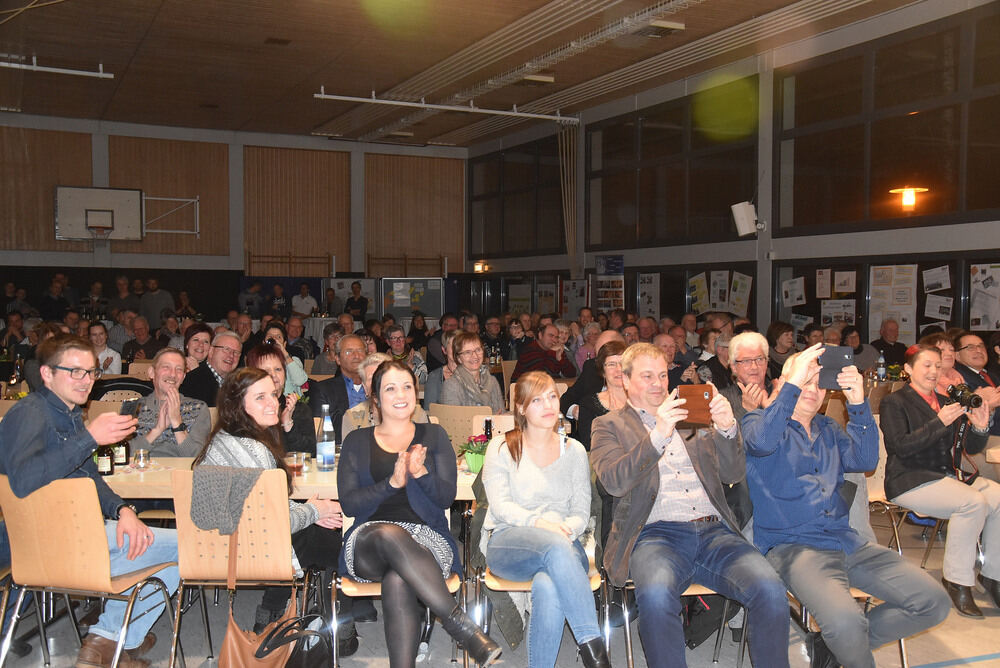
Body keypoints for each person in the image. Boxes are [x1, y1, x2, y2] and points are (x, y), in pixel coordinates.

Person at [742, 344, 951, 666]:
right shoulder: (757, 423)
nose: (811, 390)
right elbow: (762, 442)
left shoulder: (829, 429)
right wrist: (795, 380)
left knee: (932, 601)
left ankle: (832, 646)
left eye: (817, 383)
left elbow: (866, 460)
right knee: (846, 622)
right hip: (795, 549)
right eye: (802, 382)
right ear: (780, 386)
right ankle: (843, 645)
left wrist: (858, 403)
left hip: (847, 541)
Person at [590, 343, 789, 668]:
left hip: (714, 531)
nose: (658, 383)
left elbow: (732, 472)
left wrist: (727, 429)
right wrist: (658, 434)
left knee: (770, 589)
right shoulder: (609, 425)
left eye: (662, 375)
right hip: (655, 536)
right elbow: (614, 480)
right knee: (655, 597)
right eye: (647, 376)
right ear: (625, 380)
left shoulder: (692, 413)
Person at [0, 334, 178, 667]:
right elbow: (22, 482)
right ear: (47, 374)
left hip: (74, 536)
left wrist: (123, 510)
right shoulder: (29, 414)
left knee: (173, 553)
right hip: (48, 545)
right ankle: (110, 642)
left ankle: (106, 645)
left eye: (91, 372)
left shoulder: (66, 415)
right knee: (185, 547)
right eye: (75, 371)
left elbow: (88, 477)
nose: (86, 381)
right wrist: (89, 437)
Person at [338, 360, 502, 667]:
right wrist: (392, 484)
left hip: (427, 541)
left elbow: (445, 497)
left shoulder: (434, 435)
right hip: (368, 540)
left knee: (398, 578)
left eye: (407, 386)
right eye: (390, 388)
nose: (400, 394)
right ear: (376, 397)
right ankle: (457, 623)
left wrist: (422, 472)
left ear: (416, 393)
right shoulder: (356, 441)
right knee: (388, 532)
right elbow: (349, 504)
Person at [193, 367, 353, 643]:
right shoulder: (255, 449)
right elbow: (269, 523)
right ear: (237, 405)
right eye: (260, 397)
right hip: (242, 551)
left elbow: (262, 508)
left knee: (315, 532)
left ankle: (272, 616)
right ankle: (338, 629)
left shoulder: (222, 440)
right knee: (339, 546)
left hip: (215, 547)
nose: (272, 403)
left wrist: (311, 510)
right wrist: (316, 510)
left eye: (274, 395)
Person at [481, 371, 610, 668]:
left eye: (552, 396)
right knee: (554, 547)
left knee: (549, 584)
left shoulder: (575, 450)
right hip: (510, 542)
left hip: (565, 542)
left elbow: (581, 511)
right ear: (522, 408)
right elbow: (501, 508)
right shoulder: (501, 447)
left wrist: (565, 528)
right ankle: (597, 656)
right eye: (537, 399)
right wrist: (543, 524)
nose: (548, 404)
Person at [881, 344, 1000, 617]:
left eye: (938, 365)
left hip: (947, 476)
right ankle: (957, 579)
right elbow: (901, 447)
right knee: (972, 502)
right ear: (908, 369)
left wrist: (981, 426)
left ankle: (993, 575)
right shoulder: (895, 402)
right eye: (927, 365)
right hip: (909, 479)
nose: (934, 371)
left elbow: (967, 446)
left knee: (997, 496)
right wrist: (939, 422)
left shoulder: (946, 401)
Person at [130, 348, 210, 457]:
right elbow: (122, 455)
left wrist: (177, 423)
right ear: (152, 373)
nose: (173, 374)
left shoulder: (198, 408)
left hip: (181, 473)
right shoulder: (133, 408)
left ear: (183, 377)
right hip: (140, 471)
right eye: (166, 367)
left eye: (179, 369)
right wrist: (157, 430)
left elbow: (197, 458)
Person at [246, 343, 316, 456]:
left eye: (278, 369)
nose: (273, 375)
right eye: (266, 370)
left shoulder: (298, 409)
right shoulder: (246, 408)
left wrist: (288, 425)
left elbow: (309, 454)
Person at [343, 353, 429, 439]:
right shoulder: (353, 418)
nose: (379, 384)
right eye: (372, 378)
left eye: (385, 377)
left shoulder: (416, 414)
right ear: (365, 388)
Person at [952, 331, 1000, 479]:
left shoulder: (990, 375)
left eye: (981, 346)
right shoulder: (960, 379)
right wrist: (988, 405)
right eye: (970, 347)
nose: (978, 350)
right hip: (978, 438)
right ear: (957, 355)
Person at [310, 334, 369, 442]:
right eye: (349, 351)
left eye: (360, 350)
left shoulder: (378, 387)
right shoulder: (323, 390)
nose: (356, 355)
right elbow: (322, 433)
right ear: (337, 359)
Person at [440, 331, 505, 414]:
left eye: (478, 350)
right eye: (467, 352)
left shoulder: (492, 381)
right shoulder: (451, 385)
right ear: (459, 358)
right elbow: (453, 423)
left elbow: (502, 415)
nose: (475, 356)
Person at [720, 331, 775, 422]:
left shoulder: (780, 393)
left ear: (766, 363)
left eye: (759, 359)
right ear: (734, 367)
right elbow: (725, 435)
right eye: (746, 361)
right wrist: (747, 411)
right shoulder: (723, 400)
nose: (754, 366)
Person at [179, 330, 242, 407]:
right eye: (226, 349)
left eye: (236, 352)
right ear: (211, 351)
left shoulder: (240, 385)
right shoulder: (190, 382)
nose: (231, 356)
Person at [511, 323, 576, 382]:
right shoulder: (530, 350)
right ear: (540, 335)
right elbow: (542, 377)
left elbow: (572, 374)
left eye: (556, 337)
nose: (554, 340)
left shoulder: (556, 350)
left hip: (546, 390)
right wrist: (552, 352)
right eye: (550, 335)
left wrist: (560, 359)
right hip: (523, 390)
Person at [261, 321, 309, 394]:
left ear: (284, 343)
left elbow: (300, 381)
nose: (275, 340)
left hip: (291, 402)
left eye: (278, 337)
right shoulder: (258, 361)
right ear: (264, 342)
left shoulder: (293, 361)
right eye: (270, 337)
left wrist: (285, 354)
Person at [422, 329, 459, 410]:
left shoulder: (476, 374)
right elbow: (429, 411)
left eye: (460, 346)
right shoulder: (435, 377)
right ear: (444, 350)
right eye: (453, 346)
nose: (457, 350)